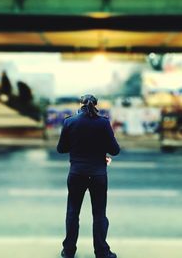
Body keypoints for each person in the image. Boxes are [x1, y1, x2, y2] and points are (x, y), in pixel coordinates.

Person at [57, 94, 120, 258]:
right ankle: (102, 252)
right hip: (98, 174)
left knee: (72, 212)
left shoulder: (70, 122)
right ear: (96, 105)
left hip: (76, 173)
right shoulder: (103, 122)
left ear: (81, 105)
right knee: (99, 214)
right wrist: (100, 152)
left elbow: (61, 148)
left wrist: (77, 146)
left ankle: (69, 250)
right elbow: (115, 150)